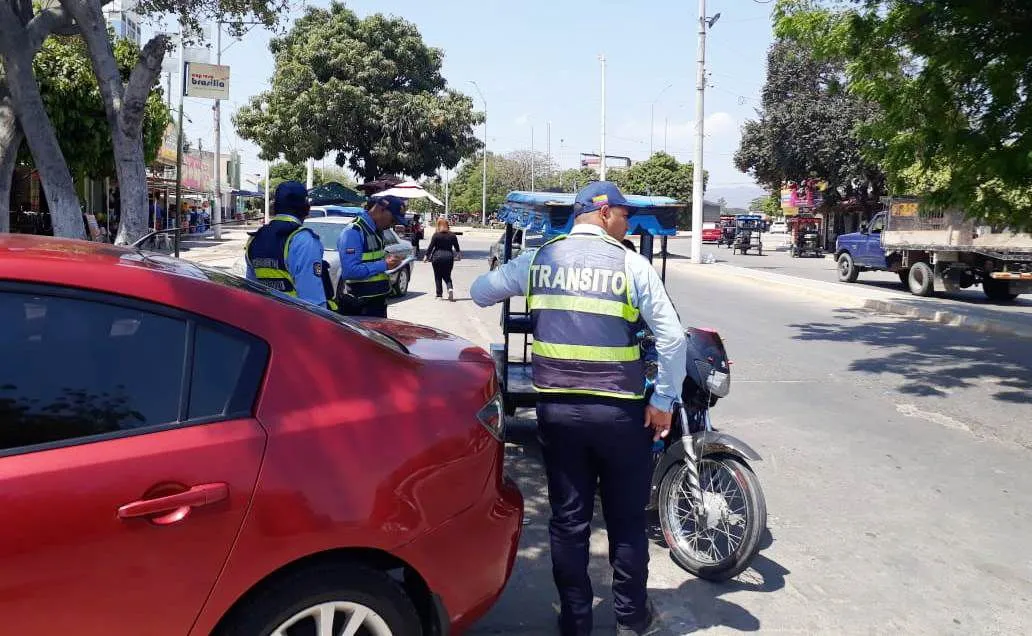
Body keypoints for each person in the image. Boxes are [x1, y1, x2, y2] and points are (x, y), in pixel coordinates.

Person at [470, 182, 687, 636]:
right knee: (626, 521)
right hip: (620, 415)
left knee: (569, 522)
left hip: (559, 414)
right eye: (624, 214)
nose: (627, 223)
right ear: (603, 212)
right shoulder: (632, 264)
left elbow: (479, 291)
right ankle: (630, 620)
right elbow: (671, 338)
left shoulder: (540, 259)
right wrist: (663, 401)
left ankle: (575, 622)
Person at [244, 180, 332, 309]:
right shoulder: (303, 240)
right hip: (295, 322)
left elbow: (252, 291)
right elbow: (313, 302)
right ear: (305, 208)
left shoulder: (255, 239)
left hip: (265, 322)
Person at [336, 195, 406, 317]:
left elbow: (371, 259)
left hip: (376, 304)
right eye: (393, 220)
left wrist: (390, 262)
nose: (392, 225)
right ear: (381, 210)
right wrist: (384, 264)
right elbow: (349, 271)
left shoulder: (376, 231)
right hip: (360, 307)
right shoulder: (353, 232)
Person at [425, 218, 462, 301]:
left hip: (437, 257)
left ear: (438, 226)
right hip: (449, 257)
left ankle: (439, 295)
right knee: (447, 275)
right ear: (447, 225)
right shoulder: (452, 235)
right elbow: (457, 247)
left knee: (438, 276)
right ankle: (450, 289)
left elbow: (431, 247)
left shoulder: (436, 235)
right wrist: (459, 255)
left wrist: (426, 256)